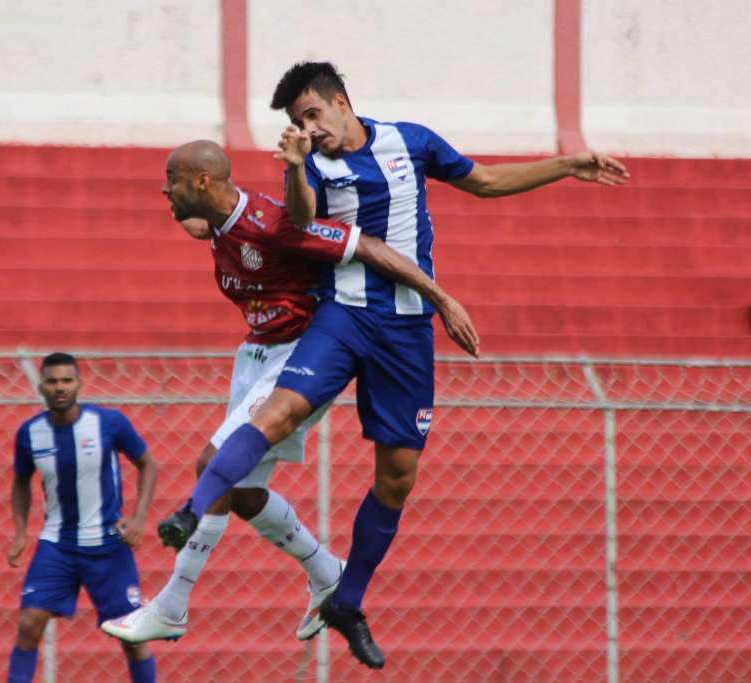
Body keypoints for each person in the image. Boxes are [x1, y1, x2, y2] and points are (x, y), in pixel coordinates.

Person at [158, 62, 630, 670]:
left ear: (340, 101)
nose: (308, 127)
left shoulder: (411, 141)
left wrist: (567, 165)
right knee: (278, 412)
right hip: (341, 316)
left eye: (312, 114)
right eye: (297, 122)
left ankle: (345, 600)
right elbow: (297, 219)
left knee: (398, 476)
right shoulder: (310, 165)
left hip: (407, 330)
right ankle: (192, 509)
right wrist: (296, 164)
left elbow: (483, 181)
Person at [102, 140, 478, 647]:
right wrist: (194, 220)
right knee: (243, 491)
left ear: (203, 182)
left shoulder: (274, 224)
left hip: (299, 356)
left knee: (212, 465)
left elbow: (365, 246)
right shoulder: (217, 219)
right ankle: (326, 571)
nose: (163, 188)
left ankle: (172, 606)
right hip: (254, 354)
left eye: (172, 179)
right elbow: (210, 224)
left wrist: (442, 299)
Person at [6, 352, 159, 683]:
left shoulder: (108, 423)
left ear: (79, 384)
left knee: (131, 636)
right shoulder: (30, 433)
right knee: (29, 623)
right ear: (41, 386)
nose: (60, 387)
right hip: (57, 544)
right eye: (52, 381)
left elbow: (148, 463)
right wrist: (20, 532)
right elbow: (20, 482)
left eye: (67, 380)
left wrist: (138, 516)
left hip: (107, 544)